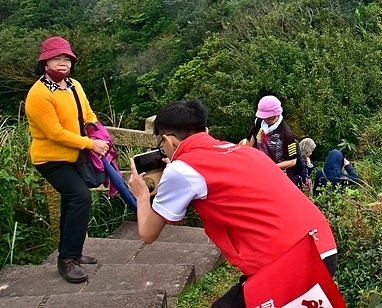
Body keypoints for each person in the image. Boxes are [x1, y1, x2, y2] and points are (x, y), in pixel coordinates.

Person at [127, 99, 338, 308]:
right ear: (206, 130)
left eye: (161, 145)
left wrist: (142, 195)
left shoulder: (181, 170)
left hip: (292, 260)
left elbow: (148, 232)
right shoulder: (243, 150)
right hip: (320, 244)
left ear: (168, 140)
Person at [25, 36, 110, 283]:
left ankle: (72, 252)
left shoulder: (74, 86)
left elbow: (87, 113)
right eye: (56, 59)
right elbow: (55, 133)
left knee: (71, 202)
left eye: (66, 59)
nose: (62, 64)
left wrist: (95, 128)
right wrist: (90, 143)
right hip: (50, 159)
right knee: (80, 198)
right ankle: (67, 260)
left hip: (74, 156)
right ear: (44, 63)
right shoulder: (38, 94)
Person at [242, 95, 300, 182]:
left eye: (269, 118)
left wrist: (270, 167)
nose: (266, 120)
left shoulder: (286, 134)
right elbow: (253, 137)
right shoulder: (258, 122)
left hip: (279, 173)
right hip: (260, 165)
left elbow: (292, 161)